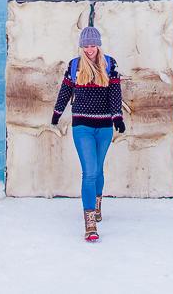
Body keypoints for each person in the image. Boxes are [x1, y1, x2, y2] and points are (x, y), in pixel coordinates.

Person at [50, 25, 125, 242]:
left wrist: (117, 117)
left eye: (93, 45)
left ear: (98, 45)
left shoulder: (110, 64)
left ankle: (97, 203)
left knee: (99, 170)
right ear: (81, 47)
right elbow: (65, 91)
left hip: (104, 127)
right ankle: (90, 223)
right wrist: (57, 112)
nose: (90, 49)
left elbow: (115, 92)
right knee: (90, 172)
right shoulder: (75, 66)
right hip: (81, 125)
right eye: (86, 46)